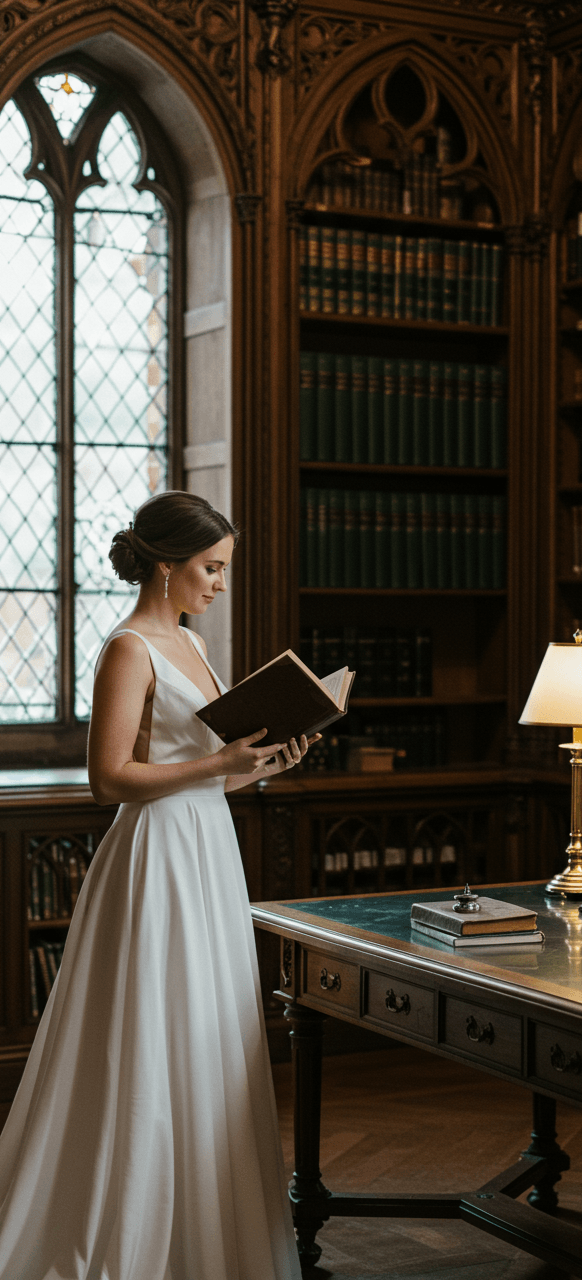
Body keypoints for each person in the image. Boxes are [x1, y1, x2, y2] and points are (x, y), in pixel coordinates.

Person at [0, 490, 315, 1280]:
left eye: (223, 570)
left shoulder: (195, 644)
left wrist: (267, 764)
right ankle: (130, 1228)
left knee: (209, 1032)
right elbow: (109, 779)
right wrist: (219, 763)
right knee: (147, 1027)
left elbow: (206, 780)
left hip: (207, 848)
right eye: (210, 568)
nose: (217, 584)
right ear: (167, 565)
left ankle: (205, 1231)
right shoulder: (129, 648)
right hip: (152, 862)